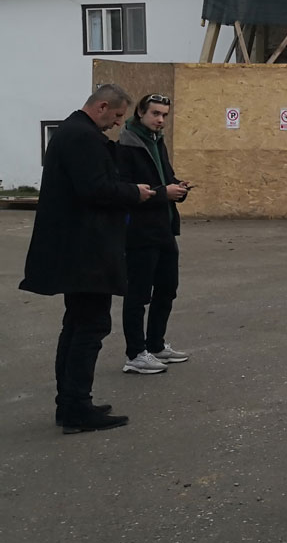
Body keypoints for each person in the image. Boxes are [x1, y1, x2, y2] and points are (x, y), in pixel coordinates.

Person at [21, 84, 153, 433]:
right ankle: (77, 407)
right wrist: (134, 192)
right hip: (86, 252)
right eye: (117, 116)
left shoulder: (71, 131)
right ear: (102, 107)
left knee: (76, 324)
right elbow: (96, 188)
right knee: (90, 326)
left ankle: (70, 403)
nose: (117, 124)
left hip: (74, 249)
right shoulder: (82, 136)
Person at [116, 93, 192, 374]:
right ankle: (135, 354)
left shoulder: (157, 142)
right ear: (140, 113)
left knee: (167, 289)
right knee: (138, 294)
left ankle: (156, 344)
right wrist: (164, 193)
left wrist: (178, 189)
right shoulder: (126, 145)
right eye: (155, 114)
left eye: (164, 115)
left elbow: (165, 179)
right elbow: (125, 190)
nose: (160, 120)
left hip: (164, 228)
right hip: (139, 232)